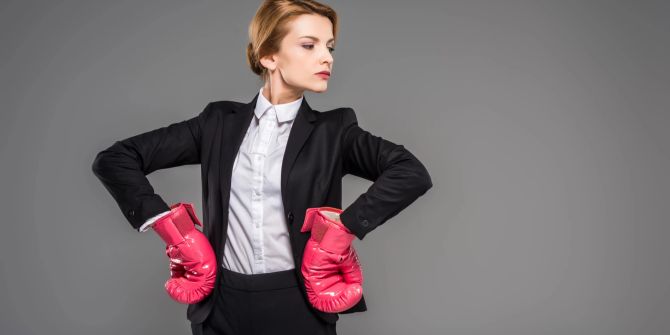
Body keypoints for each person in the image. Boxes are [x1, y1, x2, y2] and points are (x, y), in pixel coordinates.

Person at [91, 1, 432, 334]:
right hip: (220, 306)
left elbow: (410, 171)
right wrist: (173, 231)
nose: (327, 57)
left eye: (329, 46)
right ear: (268, 56)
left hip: (298, 305)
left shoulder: (335, 131)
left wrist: (342, 230)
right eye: (309, 45)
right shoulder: (217, 123)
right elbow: (116, 158)